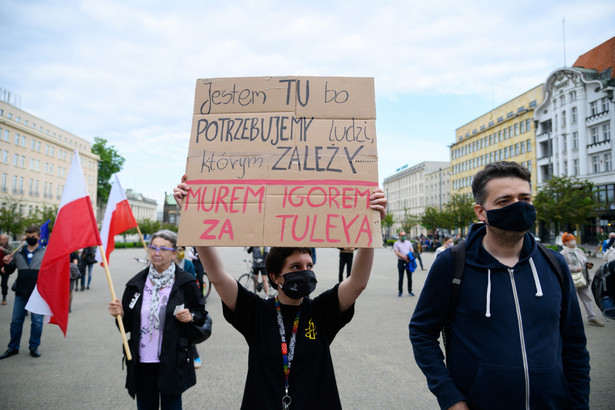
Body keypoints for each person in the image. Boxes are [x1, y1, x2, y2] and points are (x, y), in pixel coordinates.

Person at [173, 178, 387, 409]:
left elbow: (357, 282)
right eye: (296, 267)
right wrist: (192, 215)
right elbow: (216, 275)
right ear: (275, 276)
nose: (305, 273)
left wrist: (372, 224)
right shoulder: (257, 312)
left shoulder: (321, 311)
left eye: (309, 266)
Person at [409, 161, 590, 409]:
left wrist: (579, 403)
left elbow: (574, 344)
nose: (519, 207)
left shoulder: (554, 264)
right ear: (481, 212)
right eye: (504, 201)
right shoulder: (452, 264)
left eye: (525, 198)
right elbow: (422, 332)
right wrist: (450, 397)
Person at [107, 230, 207, 409]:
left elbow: (201, 314)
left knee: (172, 405)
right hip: (143, 360)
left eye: (162, 249)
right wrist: (120, 315)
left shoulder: (186, 282)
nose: (156, 253)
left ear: (174, 253)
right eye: (153, 248)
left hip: (172, 359)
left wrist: (190, 316)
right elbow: (127, 325)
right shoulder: (136, 284)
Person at [0, 225, 46, 359]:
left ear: (39, 237)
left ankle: (34, 346)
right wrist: (7, 263)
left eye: (33, 237)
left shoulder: (44, 252)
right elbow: (10, 270)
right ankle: (13, 347)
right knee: (16, 321)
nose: (30, 239)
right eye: (28, 237)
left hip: (38, 292)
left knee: (37, 321)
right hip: (21, 291)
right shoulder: (18, 252)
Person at [560, 232, 605, 327]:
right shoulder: (563, 253)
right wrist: (575, 268)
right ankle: (567, 319)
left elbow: (584, 261)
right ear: (565, 242)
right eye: (569, 240)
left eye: (573, 239)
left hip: (583, 279)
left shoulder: (579, 250)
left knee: (587, 298)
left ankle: (592, 317)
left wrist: (587, 264)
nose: (573, 241)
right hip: (572, 280)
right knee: (570, 300)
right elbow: (563, 266)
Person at [174, 246, 203, 370]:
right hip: (170, 301)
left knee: (185, 328)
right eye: (177, 249)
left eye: (182, 249)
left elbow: (192, 282)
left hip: (184, 301)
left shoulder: (188, 264)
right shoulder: (166, 263)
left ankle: (195, 355)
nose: (180, 252)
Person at [393, 231, 414, 297]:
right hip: (401, 261)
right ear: (399, 236)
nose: (403, 236)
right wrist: (404, 257)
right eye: (402, 235)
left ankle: (410, 291)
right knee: (401, 277)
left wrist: (409, 256)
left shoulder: (408, 242)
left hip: (408, 261)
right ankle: (400, 291)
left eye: (404, 235)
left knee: (409, 277)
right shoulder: (396, 243)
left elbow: (412, 250)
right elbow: (397, 252)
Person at [0, 233, 13, 305]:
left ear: (7, 240)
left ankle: (4, 298)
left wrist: (2, 249)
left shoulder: (9, 246)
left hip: (5, 267)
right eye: (1, 239)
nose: (2, 241)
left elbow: (11, 253)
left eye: (4, 239)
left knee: (4, 284)